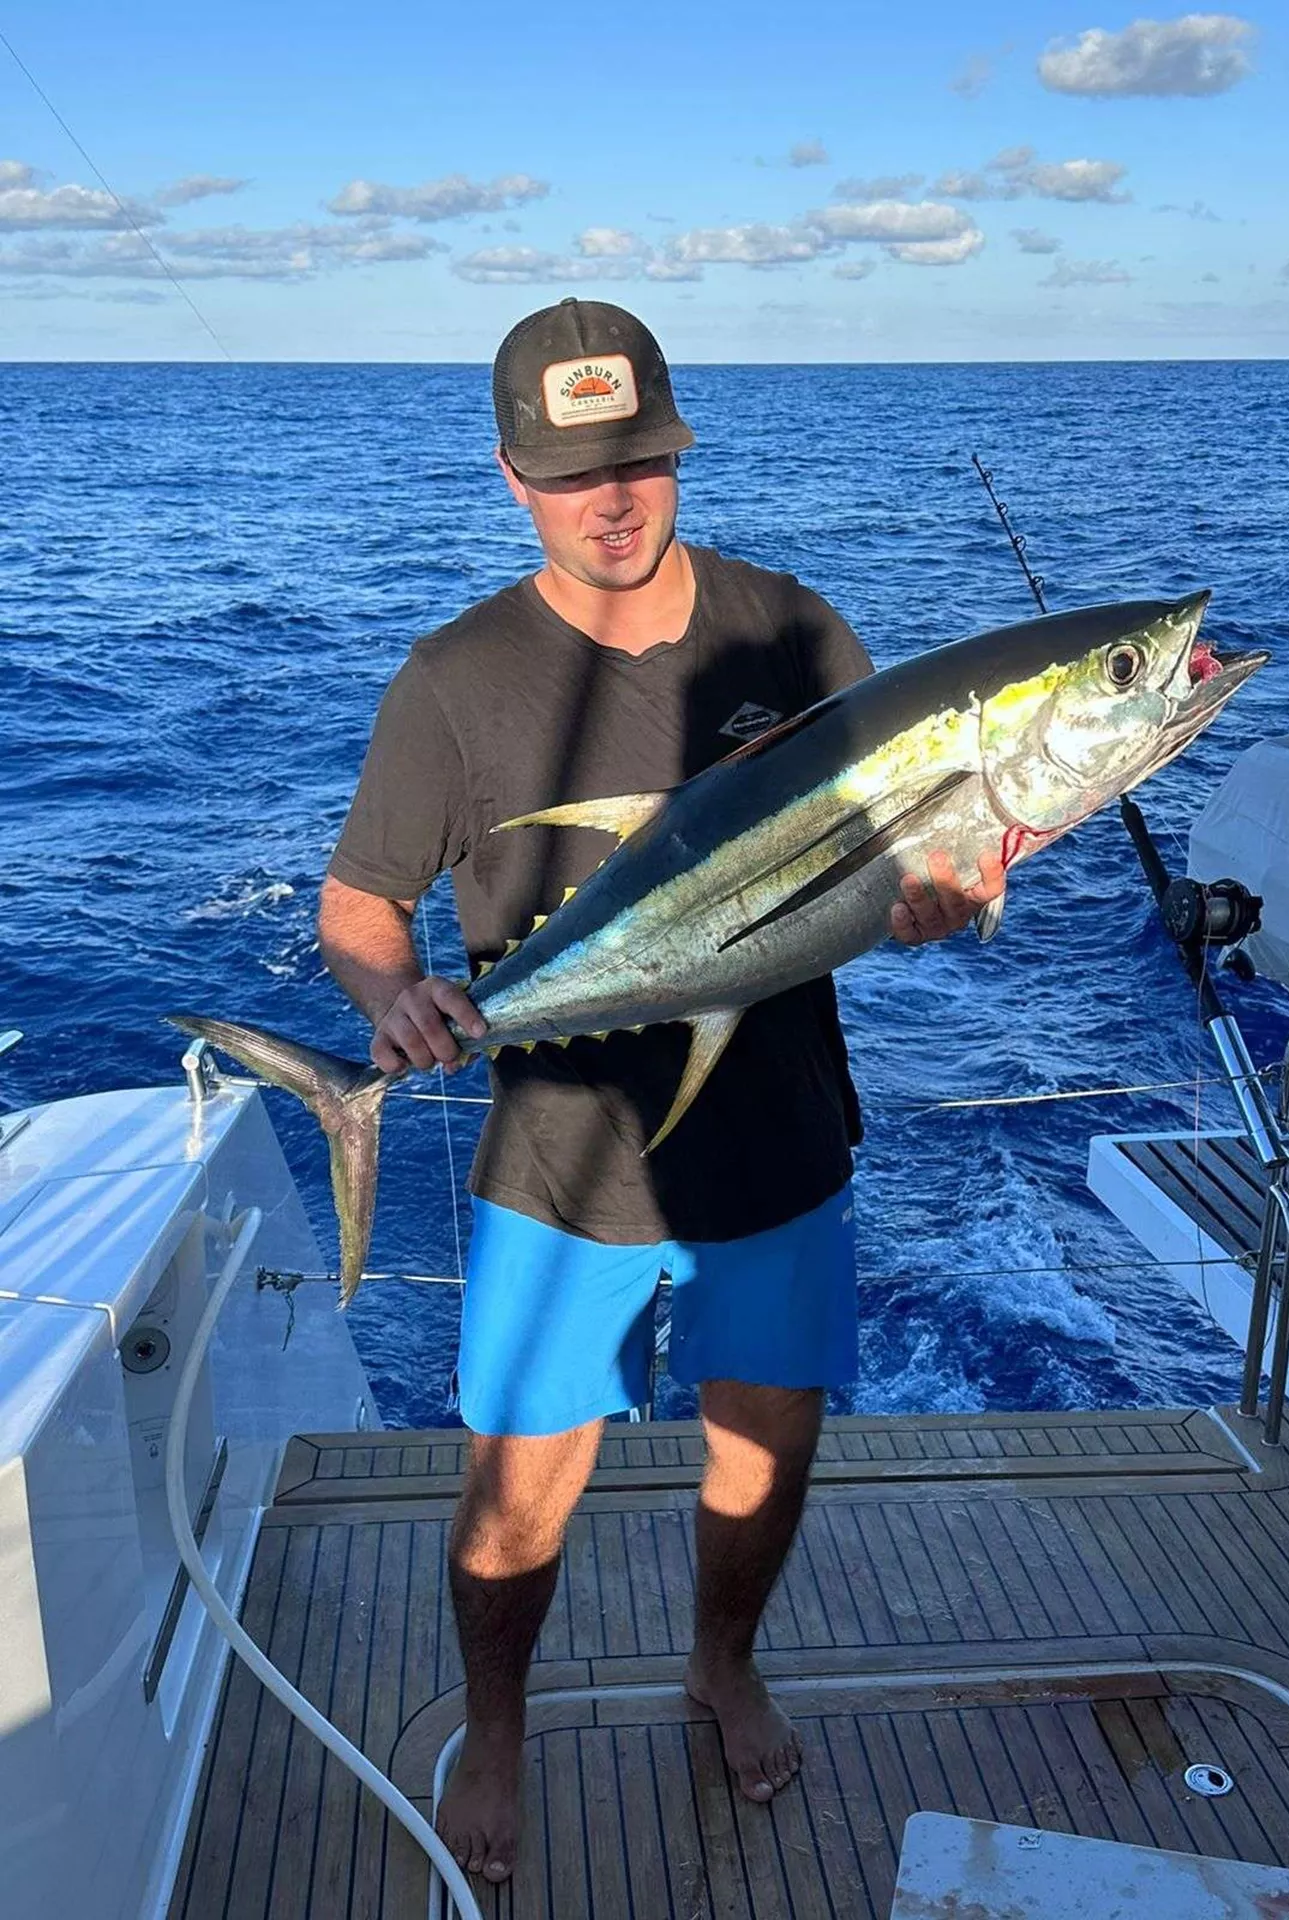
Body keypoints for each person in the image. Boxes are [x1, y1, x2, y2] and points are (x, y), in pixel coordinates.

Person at [317, 298, 1002, 1885]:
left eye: (637, 460)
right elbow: (360, 903)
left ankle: (722, 1663)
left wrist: (939, 903)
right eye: (570, 474)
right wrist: (391, 992)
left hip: (779, 1142)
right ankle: (499, 1727)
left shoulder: (793, 633)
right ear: (512, 476)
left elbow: (898, 867)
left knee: (764, 1456)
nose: (609, 501)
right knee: (514, 1502)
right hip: (559, 1163)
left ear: (679, 451)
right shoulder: (455, 679)